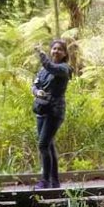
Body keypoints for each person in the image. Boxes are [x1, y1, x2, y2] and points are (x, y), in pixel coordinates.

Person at [31, 39, 71, 190]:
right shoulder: (43, 70)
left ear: (65, 53)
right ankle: (55, 181)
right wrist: (37, 92)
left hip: (55, 111)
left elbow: (51, 67)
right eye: (54, 48)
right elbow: (35, 85)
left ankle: (45, 181)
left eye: (60, 49)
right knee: (49, 145)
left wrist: (41, 54)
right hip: (42, 109)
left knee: (43, 145)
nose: (56, 51)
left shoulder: (64, 69)